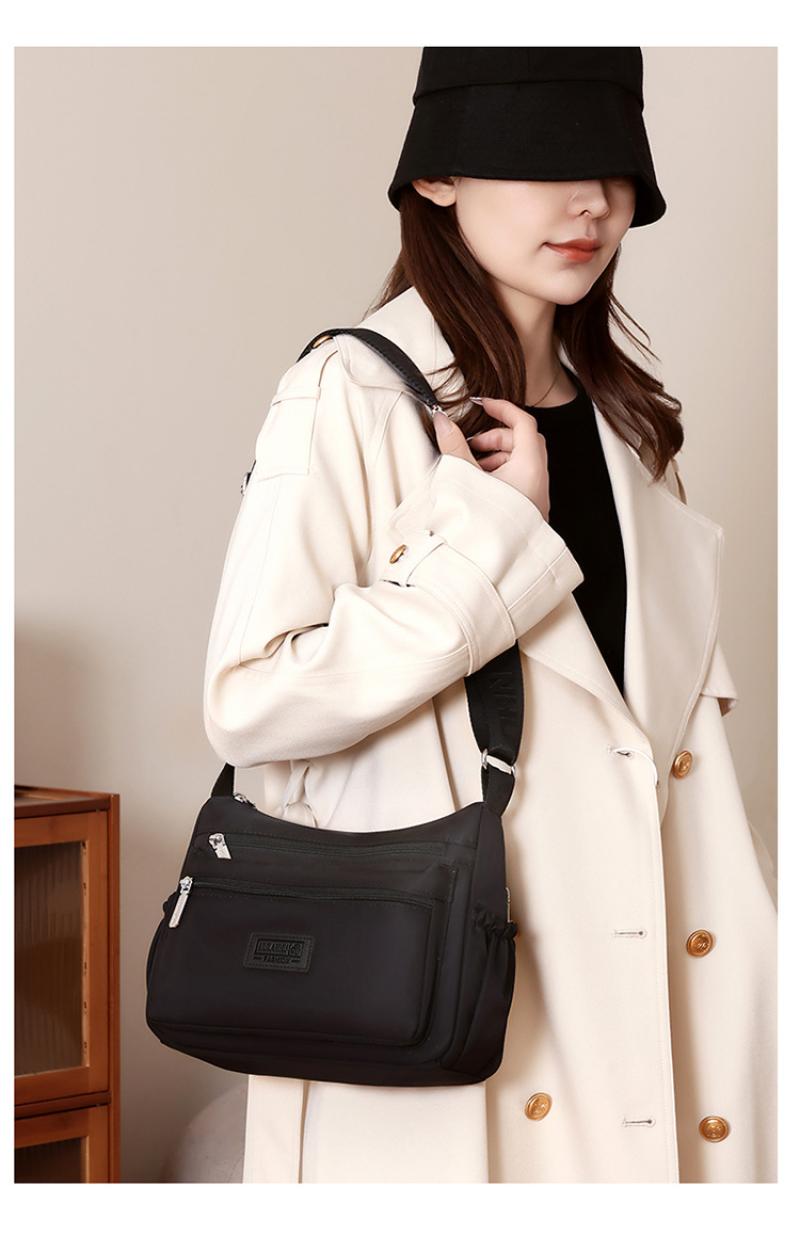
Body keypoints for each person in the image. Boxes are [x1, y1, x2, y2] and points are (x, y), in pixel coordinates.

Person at [202, 47, 777, 1184]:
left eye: (613, 166)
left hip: (654, 999)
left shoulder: (632, 428)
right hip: (459, 999)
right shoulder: (350, 395)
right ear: (437, 178)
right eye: (543, 161)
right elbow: (251, 699)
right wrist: (489, 544)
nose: (590, 202)